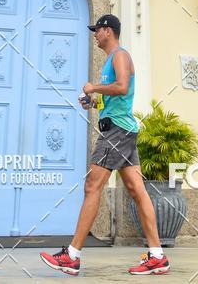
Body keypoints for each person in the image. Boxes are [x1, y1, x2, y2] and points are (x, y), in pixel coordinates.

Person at [40, 14, 170, 276]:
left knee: (92, 185)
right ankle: (157, 256)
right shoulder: (112, 60)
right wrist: (94, 102)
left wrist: (93, 87)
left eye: (96, 30)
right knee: (137, 189)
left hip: (117, 132)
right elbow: (116, 100)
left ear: (108, 30)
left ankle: (72, 255)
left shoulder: (120, 56)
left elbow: (122, 87)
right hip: (123, 128)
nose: (94, 34)